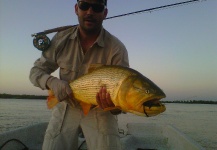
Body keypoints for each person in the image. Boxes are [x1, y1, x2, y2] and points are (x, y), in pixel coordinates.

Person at [29, 0, 129, 149]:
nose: (90, 11)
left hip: (100, 110)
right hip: (66, 104)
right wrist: (51, 82)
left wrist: (113, 107)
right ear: (76, 8)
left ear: (105, 13)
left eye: (97, 7)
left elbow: (120, 101)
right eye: (84, 5)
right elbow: (36, 71)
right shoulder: (61, 39)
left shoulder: (116, 48)